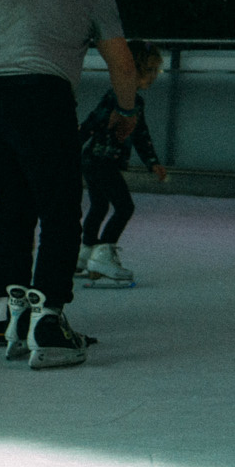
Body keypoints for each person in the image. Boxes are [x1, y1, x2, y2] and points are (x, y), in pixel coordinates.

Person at [0, 0, 142, 369]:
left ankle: (17, 314)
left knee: (15, 206)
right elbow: (122, 65)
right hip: (39, 96)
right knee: (60, 206)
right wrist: (127, 112)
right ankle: (49, 320)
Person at [76, 39, 168, 288]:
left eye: (156, 71)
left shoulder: (135, 101)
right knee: (124, 207)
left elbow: (140, 134)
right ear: (135, 69)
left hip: (97, 161)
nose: (154, 77)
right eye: (150, 70)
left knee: (99, 206)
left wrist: (152, 163)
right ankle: (102, 256)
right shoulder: (117, 95)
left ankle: (86, 253)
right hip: (99, 162)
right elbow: (92, 122)